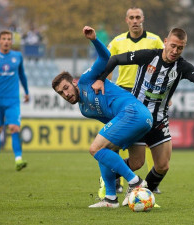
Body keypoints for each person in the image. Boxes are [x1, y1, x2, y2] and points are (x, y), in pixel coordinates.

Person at [92, 27, 194, 206]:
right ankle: (109, 178)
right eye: (173, 46)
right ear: (165, 42)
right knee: (137, 163)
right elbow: (115, 59)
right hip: (136, 118)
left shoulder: (182, 66)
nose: (175, 51)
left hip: (159, 120)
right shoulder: (148, 56)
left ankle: (143, 195)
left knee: (162, 166)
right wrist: (100, 78)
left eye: (180, 48)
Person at [52, 26, 153, 208]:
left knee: (95, 149)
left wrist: (94, 40)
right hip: (136, 120)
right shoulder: (85, 110)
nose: (65, 94)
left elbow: (106, 58)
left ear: (74, 83)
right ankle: (110, 199)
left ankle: (135, 182)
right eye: (61, 93)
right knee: (123, 157)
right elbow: (110, 124)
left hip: (133, 112)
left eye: (66, 88)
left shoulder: (86, 80)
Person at [98, 7, 164, 197]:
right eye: (131, 18)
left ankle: (150, 180)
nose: (135, 20)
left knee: (149, 137)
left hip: (147, 95)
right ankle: (114, 180)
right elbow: (107, 64)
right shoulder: (117, 41)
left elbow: (163, 65)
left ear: (143, 19)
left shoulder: (155, 40)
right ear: (126, 20)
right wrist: (105, 87)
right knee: (116, 139)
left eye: (138, 17)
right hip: (123, 94)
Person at [0, 30, 29, 171]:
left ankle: (18, 159)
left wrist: (26, 92)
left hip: (13, 99)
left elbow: (22, 75)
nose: (6, 41)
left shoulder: (17, 56)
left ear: (11, 41)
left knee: (14, 127)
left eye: (9, 39)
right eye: (4, 38)